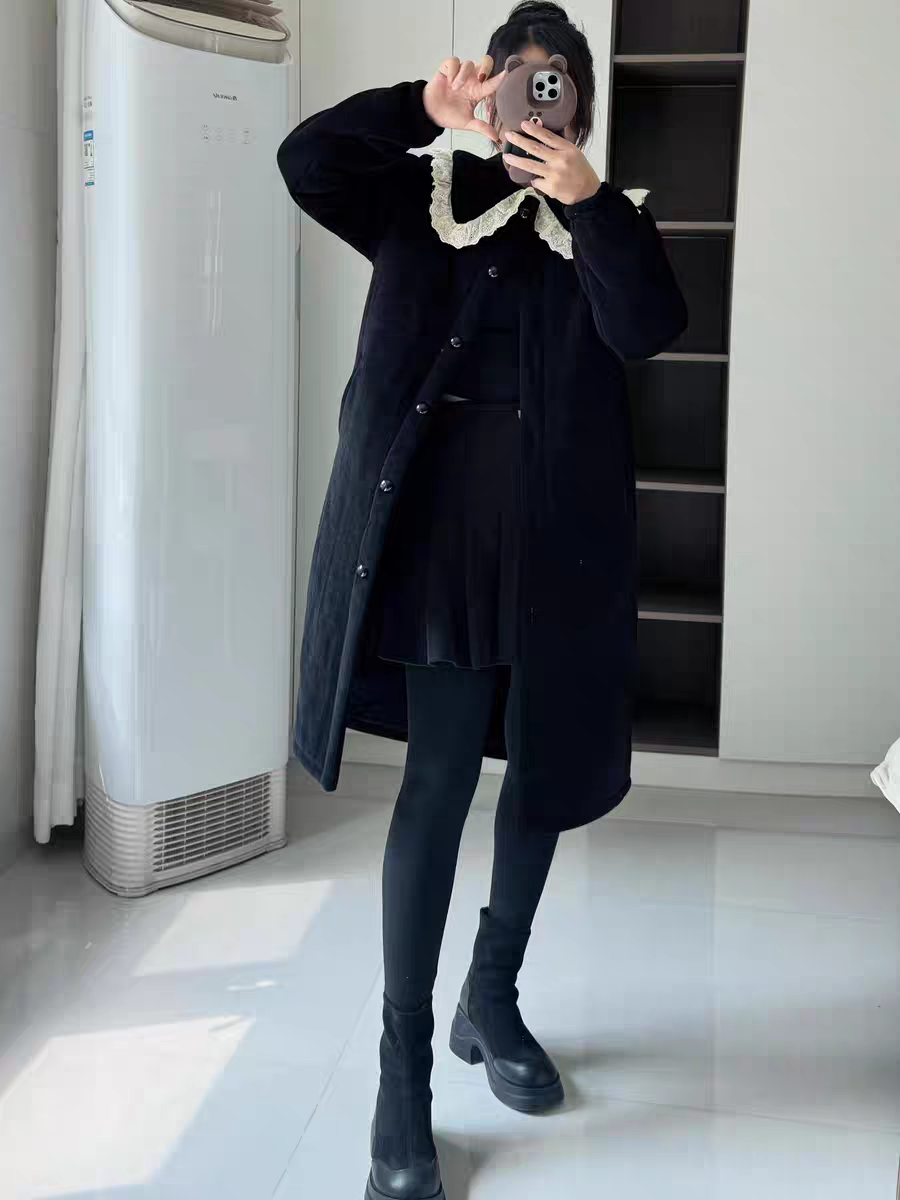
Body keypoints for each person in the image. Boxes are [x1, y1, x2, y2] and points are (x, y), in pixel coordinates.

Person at [277, 3, 687, 1197]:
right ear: (490, 88)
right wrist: (423, 109)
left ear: (581, 107)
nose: (533, 97)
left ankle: (489, 1000)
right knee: (439, 784)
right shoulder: (420, 197)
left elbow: (647, 328)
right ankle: (401, 1077)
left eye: (556, 82)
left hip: (559, 551)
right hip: (440, 546)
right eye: (518, 78)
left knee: (543, 777)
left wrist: (589, 201)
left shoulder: (606, 221)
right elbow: (307, 161)